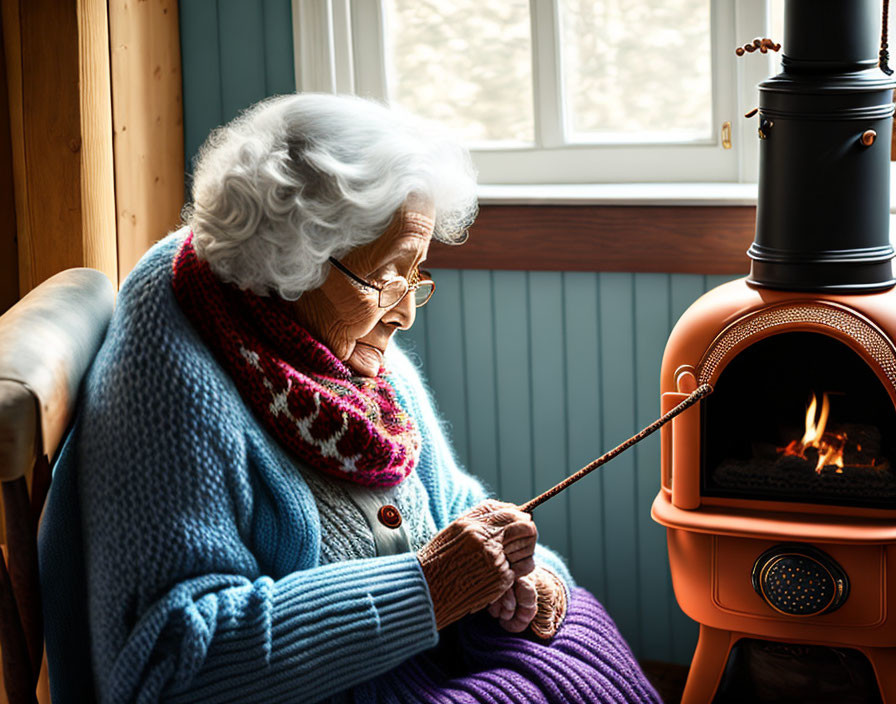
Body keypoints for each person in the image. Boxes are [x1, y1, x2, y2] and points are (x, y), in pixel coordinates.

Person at [39, 93, 660, 703]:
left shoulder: (333, 347)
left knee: (580, 633)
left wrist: (531, 574)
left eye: (417, 273)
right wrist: (428, 588)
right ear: (293, 260)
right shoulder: (173, 381)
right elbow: (171, 664)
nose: (407, 312)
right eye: (391, 275)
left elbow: (455, 504)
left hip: (431, 658)